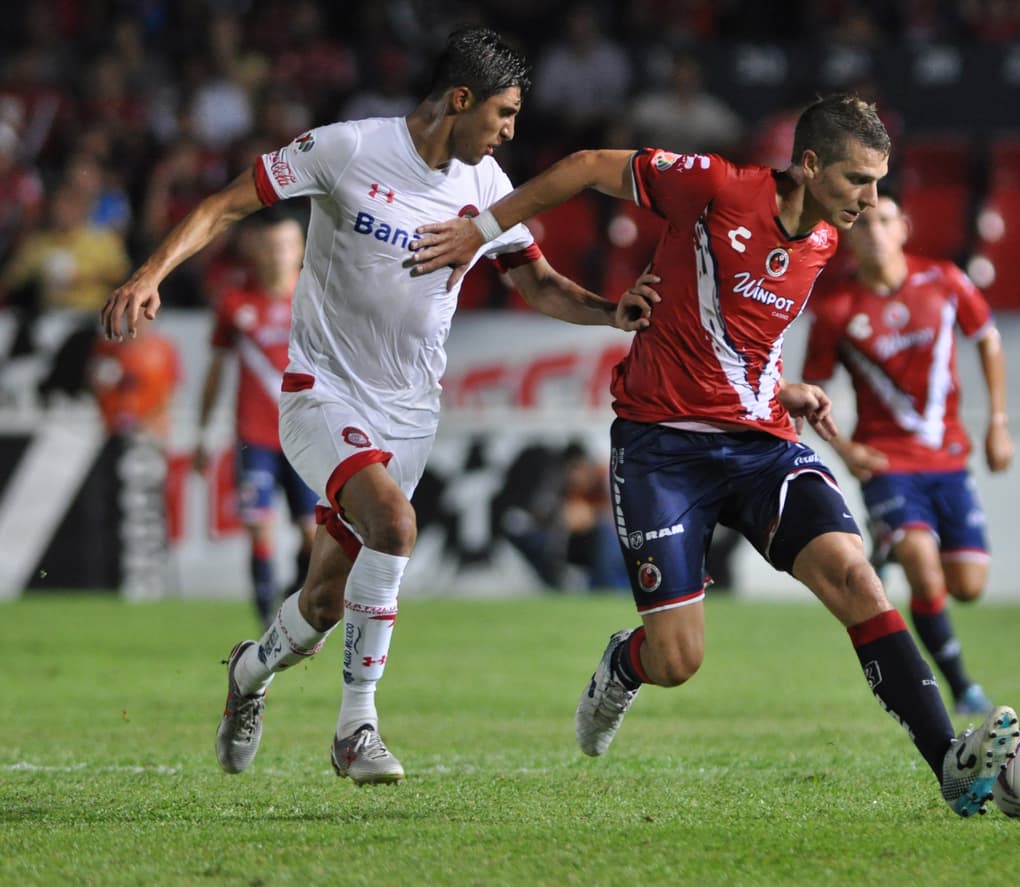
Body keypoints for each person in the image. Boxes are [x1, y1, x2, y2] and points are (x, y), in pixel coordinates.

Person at [412, 93, 1020, 817]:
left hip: (760, 445)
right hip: (661, 448)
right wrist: (476, 231)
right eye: (860, 179)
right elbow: (580, 167)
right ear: (810, 163)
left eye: (880, 182)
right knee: (677, 659)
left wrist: (782, 387)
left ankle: (948, 764)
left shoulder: (824, 240)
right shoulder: (716, 186)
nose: (871, 197)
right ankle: (622, 663)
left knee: (857, 577)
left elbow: (739, 335)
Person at [101, 26, 652, 786]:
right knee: (396, 524)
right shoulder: (348, 149)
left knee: (323, 603)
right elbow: (229, 204)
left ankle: (248, 674)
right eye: (504, 112)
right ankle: (356, 726)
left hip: (411, 416)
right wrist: (150, 271)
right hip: (321, 392)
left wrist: (612, 310)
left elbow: (538, 283)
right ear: (461, 99)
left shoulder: (487, 188)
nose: (510, 131)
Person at [801, 191, 1014, 717]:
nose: (874, 229)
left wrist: (998, 424)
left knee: (967, 585)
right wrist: (845, 449)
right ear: (849, 236)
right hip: (887, 462)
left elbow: (987, 338)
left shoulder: (943, 281)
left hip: (946, 458)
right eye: (864, 222)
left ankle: (892, 542)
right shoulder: (836, 308)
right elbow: (812, 392)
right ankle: (963, 689)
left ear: (904, 228)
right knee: (924, 566)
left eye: (885, 219)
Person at [193, 208, 318, 629]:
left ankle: (289, 595)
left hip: (306, 437)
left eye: (285, 246)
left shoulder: (317, 298)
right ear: (255, 250)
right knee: (259, 529)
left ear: (300, 248)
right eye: (269, 246)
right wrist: (202, 433)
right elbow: (216, 371)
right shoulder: (235, 303)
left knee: (314, 538)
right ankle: (267, 624)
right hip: (254, 438)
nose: (278, 255)